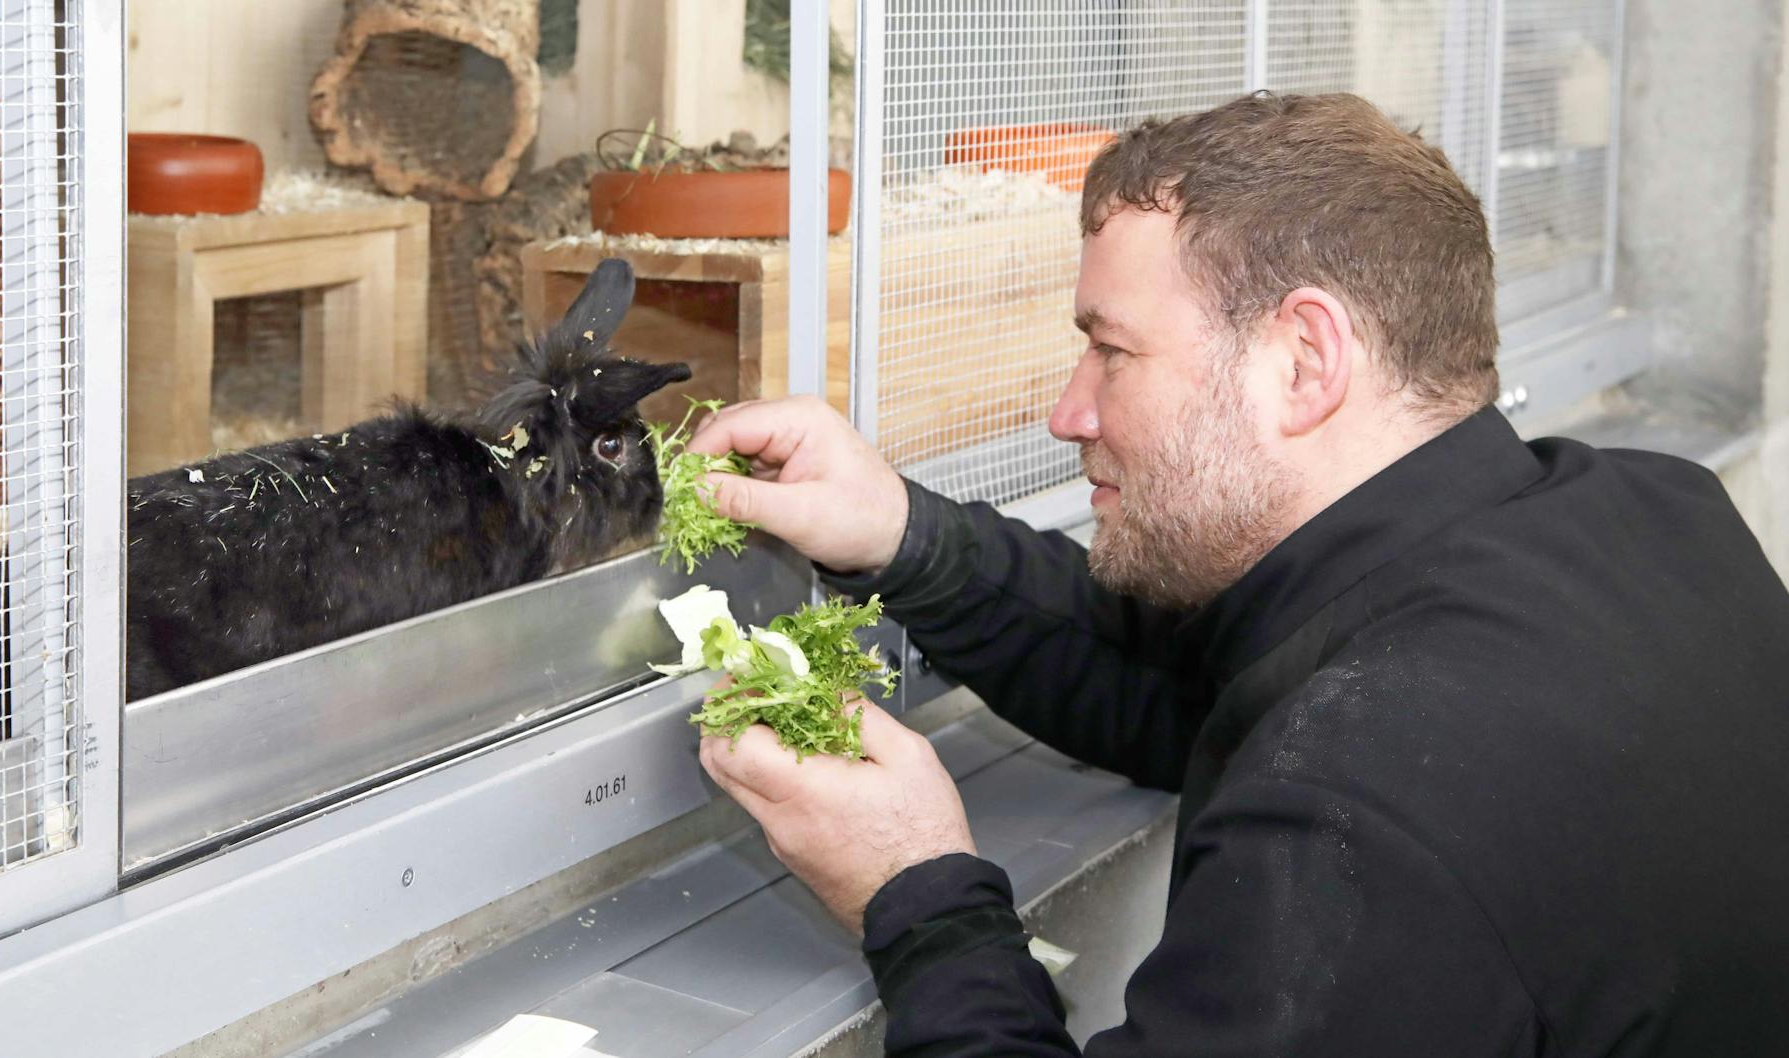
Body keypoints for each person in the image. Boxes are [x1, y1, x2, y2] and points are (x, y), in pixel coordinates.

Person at [686, 92, 1789, 1056]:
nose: (1067, 410)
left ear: (1303, 360)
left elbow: (1323, 759)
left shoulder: (1363, 817)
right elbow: (1188, 686)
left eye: (1110, 350)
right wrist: (901, 534)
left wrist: (917, 892)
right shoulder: (1646, 515)